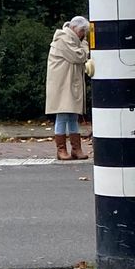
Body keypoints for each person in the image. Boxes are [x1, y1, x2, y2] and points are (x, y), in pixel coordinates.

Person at [45, 15, 91, 161]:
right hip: (62, 85)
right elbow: (79, 56)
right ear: (75, 29)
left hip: (68, 83)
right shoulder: (63, 39)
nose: (83, 35)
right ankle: (61, 150)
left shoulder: (71, 40)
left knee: (73, 115)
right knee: (63, 115)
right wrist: (85, 45)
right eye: (82, 32)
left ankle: (76, 149)